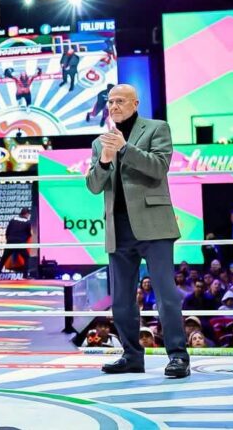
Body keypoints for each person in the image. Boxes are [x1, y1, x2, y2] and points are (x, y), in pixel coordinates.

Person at [85, 84, 190, 378]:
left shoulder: (156, 128)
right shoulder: (100, 143)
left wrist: (125, 149)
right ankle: (131, 356)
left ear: (135, 103)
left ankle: (178, 356)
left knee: (166, 294)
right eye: (110, 101)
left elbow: (158, 167)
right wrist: (104, 160)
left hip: (154, 225)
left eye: (120, 101)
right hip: (118, 228)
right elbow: (93, 186)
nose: (114, 106)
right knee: (120, 300)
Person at [0, 207, 32, 277]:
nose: (28, 215)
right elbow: (29, 234)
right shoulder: (27, 222)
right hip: (20, 243)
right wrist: (23, 241)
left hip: (10, 242)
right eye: (28, 214)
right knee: (26, 257)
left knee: (4, 258)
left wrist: (9, 240)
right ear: (26, 214)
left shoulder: (13, 220)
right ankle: (25, 276)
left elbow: (7, 231)